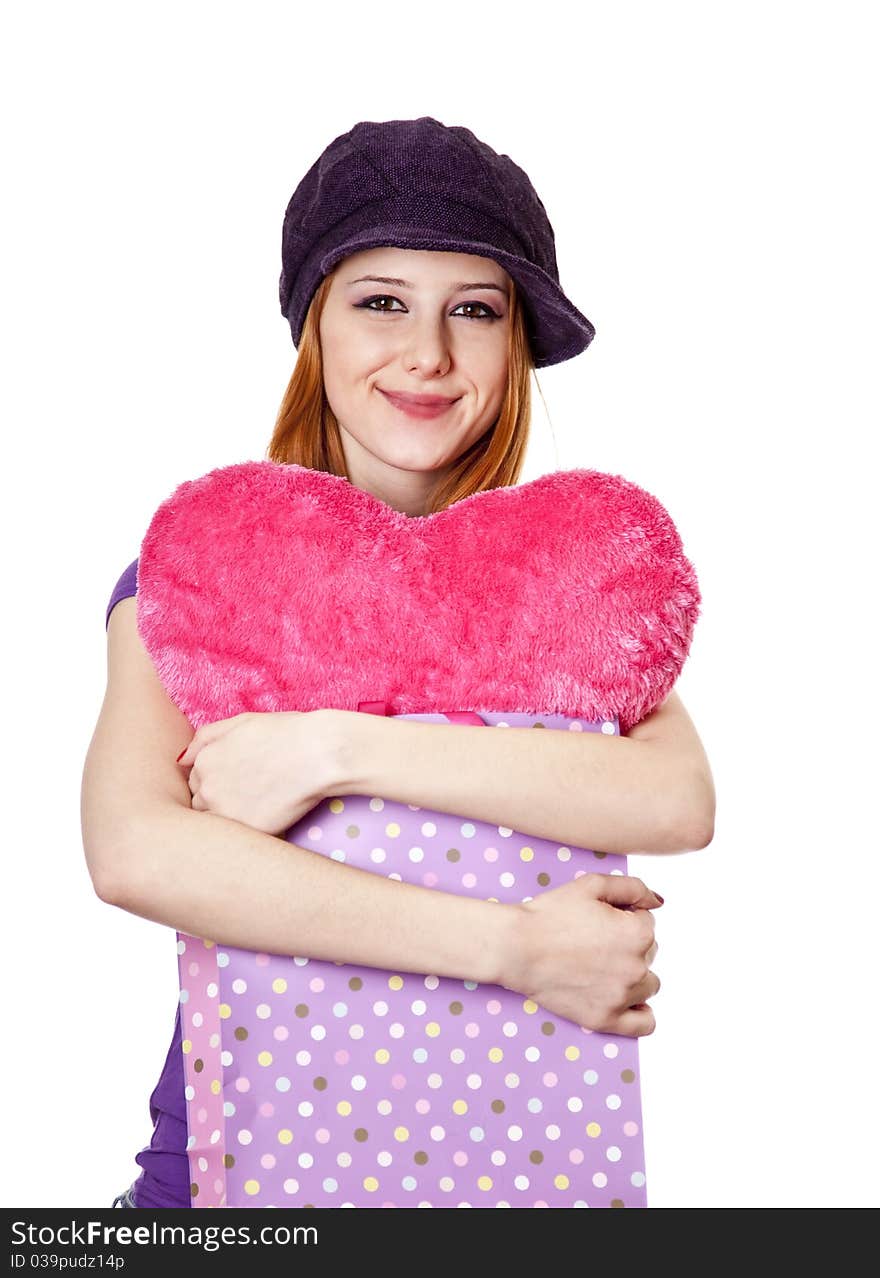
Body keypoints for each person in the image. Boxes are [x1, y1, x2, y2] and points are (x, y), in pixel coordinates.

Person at [83, 116, 715, 1210]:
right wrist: (517, 948)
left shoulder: (567, 592)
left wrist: (332, 748)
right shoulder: (202, 579)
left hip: (526, 1173)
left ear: (513, 343)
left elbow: (674, 795)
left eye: (473, 310)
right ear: (313, 327)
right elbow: (134, 851)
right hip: (235, 1180)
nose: (427, 354)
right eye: (381, 301)